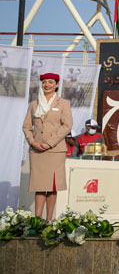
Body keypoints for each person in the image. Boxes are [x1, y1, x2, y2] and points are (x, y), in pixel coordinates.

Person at [22, 73, 72, 220]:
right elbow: (26, 127)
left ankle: (49, 220)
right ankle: (37, 220)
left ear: (57, 85)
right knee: (39, 186)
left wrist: (50, 143)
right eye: (44, 82)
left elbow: (67, 126)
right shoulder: (34, 104)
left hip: (55, 150)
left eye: (50, 82)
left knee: (51, 187)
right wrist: (33, 142)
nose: (47, 85)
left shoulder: (63, 103)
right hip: (37, 150)